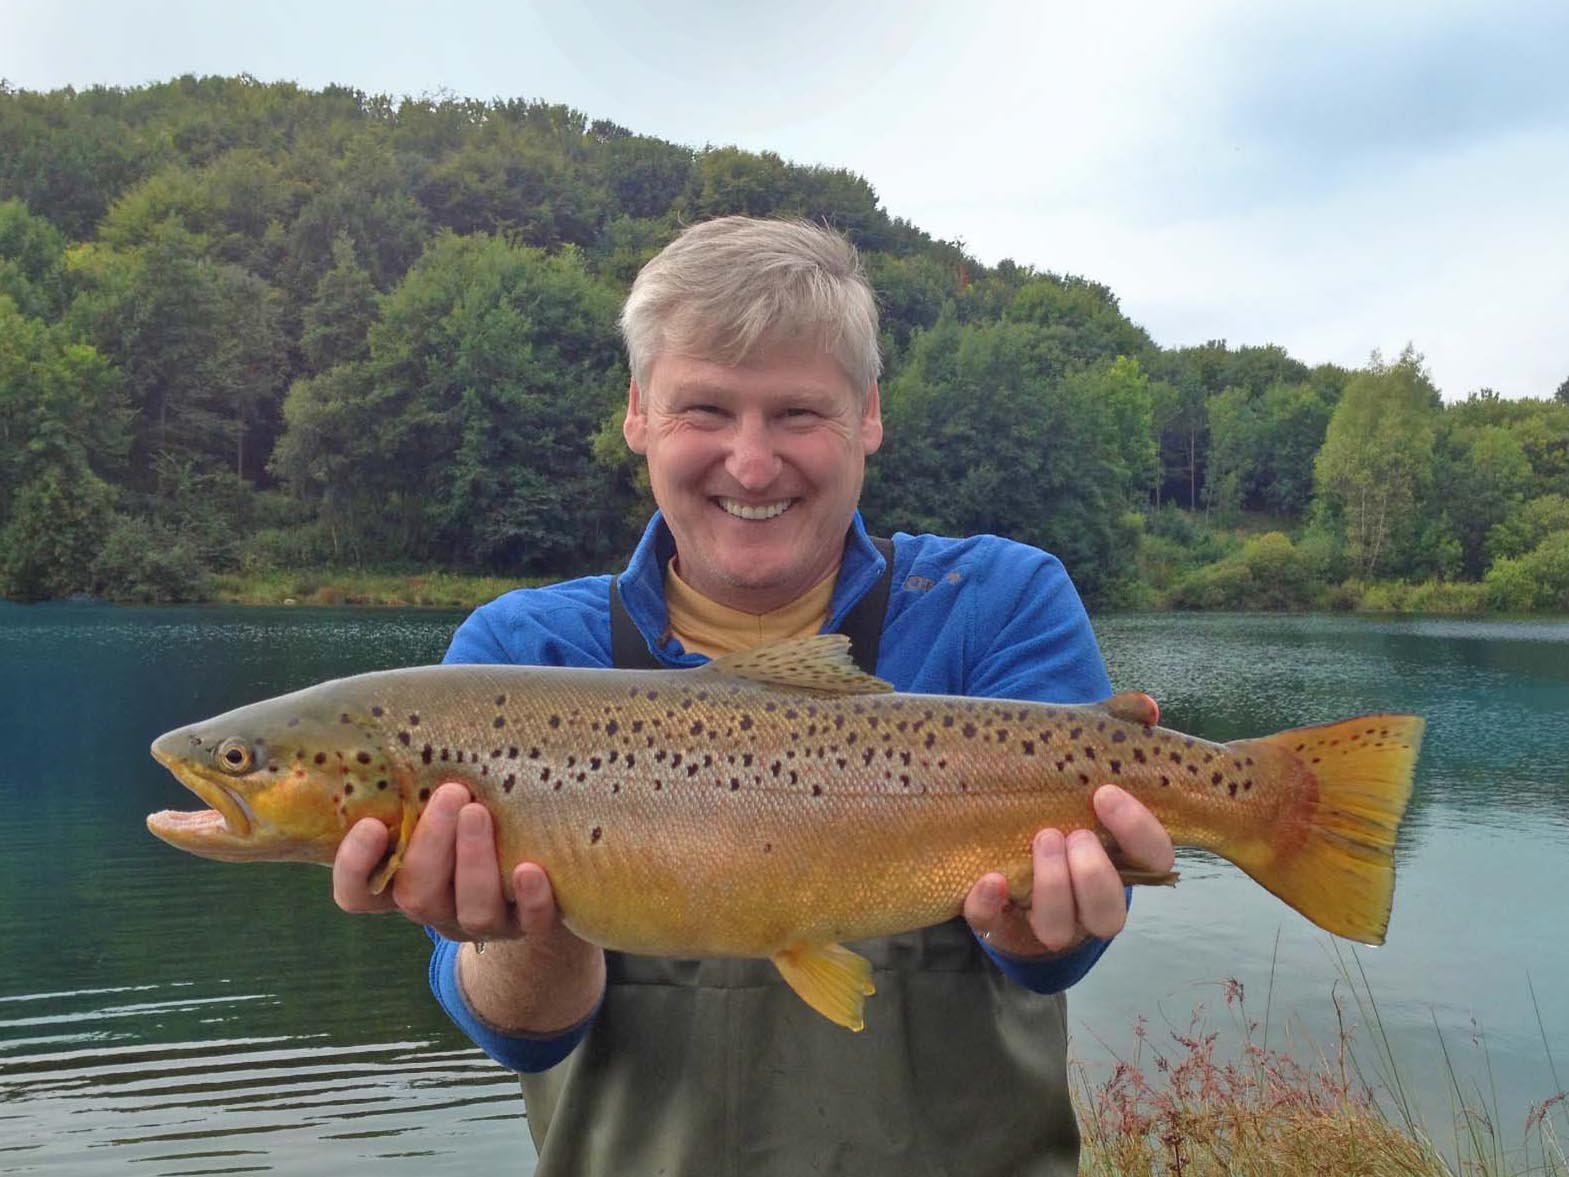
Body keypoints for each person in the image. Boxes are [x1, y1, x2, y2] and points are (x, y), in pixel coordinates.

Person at [332, 216, 1174, 1176]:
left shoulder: (995, 605)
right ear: (638, 413)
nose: (751, 462)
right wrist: (527, 930)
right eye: (704, 411)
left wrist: (1035, 917)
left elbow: (1050, 959)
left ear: (868, 416)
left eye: (796, 414)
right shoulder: (517, 657)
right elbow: (522, 1034)